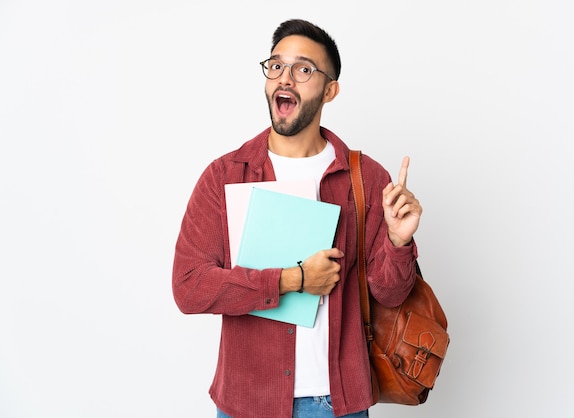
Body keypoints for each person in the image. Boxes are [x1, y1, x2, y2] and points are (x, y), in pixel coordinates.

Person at [172, 18, 422, 418]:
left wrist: (398, 241)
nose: (284, 78)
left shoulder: (367, 178)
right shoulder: (225, 174)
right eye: (276, 66)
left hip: (336, 402)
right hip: (247, 403)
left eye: (303, 69)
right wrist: (294, 279)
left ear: (330, 90)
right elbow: (188, 287)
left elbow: (389, 295)